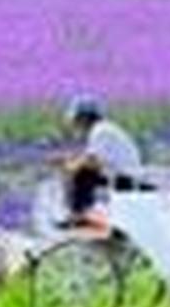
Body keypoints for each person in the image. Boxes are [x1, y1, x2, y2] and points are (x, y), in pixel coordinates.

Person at [58, 93, 146, 224]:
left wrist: (71, 166)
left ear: (83, 119)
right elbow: (95, 159)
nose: (75, 126)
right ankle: (86, 213)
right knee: (81, 170)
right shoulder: (105, 130)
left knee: (81, 173)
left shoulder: (100, 131)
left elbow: (93, 162)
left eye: (76, 121)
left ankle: (78, 215)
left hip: (126, 180)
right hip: (124, 177)